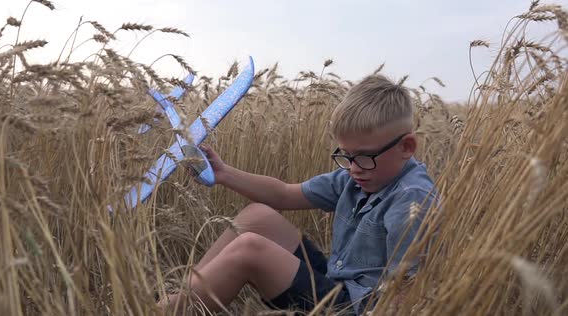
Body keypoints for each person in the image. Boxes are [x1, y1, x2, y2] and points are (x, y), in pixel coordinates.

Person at [157, 74, 437, 315]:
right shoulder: (362, 175)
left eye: (363, 157)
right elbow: (283, 195)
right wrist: (224, 174)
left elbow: (406, 295)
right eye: (346, 156)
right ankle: (183, 299)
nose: (353, 169)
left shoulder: (411, 200)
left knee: (250, 250)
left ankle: (165, 311)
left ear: (407, 146)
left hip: (354, 308)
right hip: (336, 281)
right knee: (256, 217)